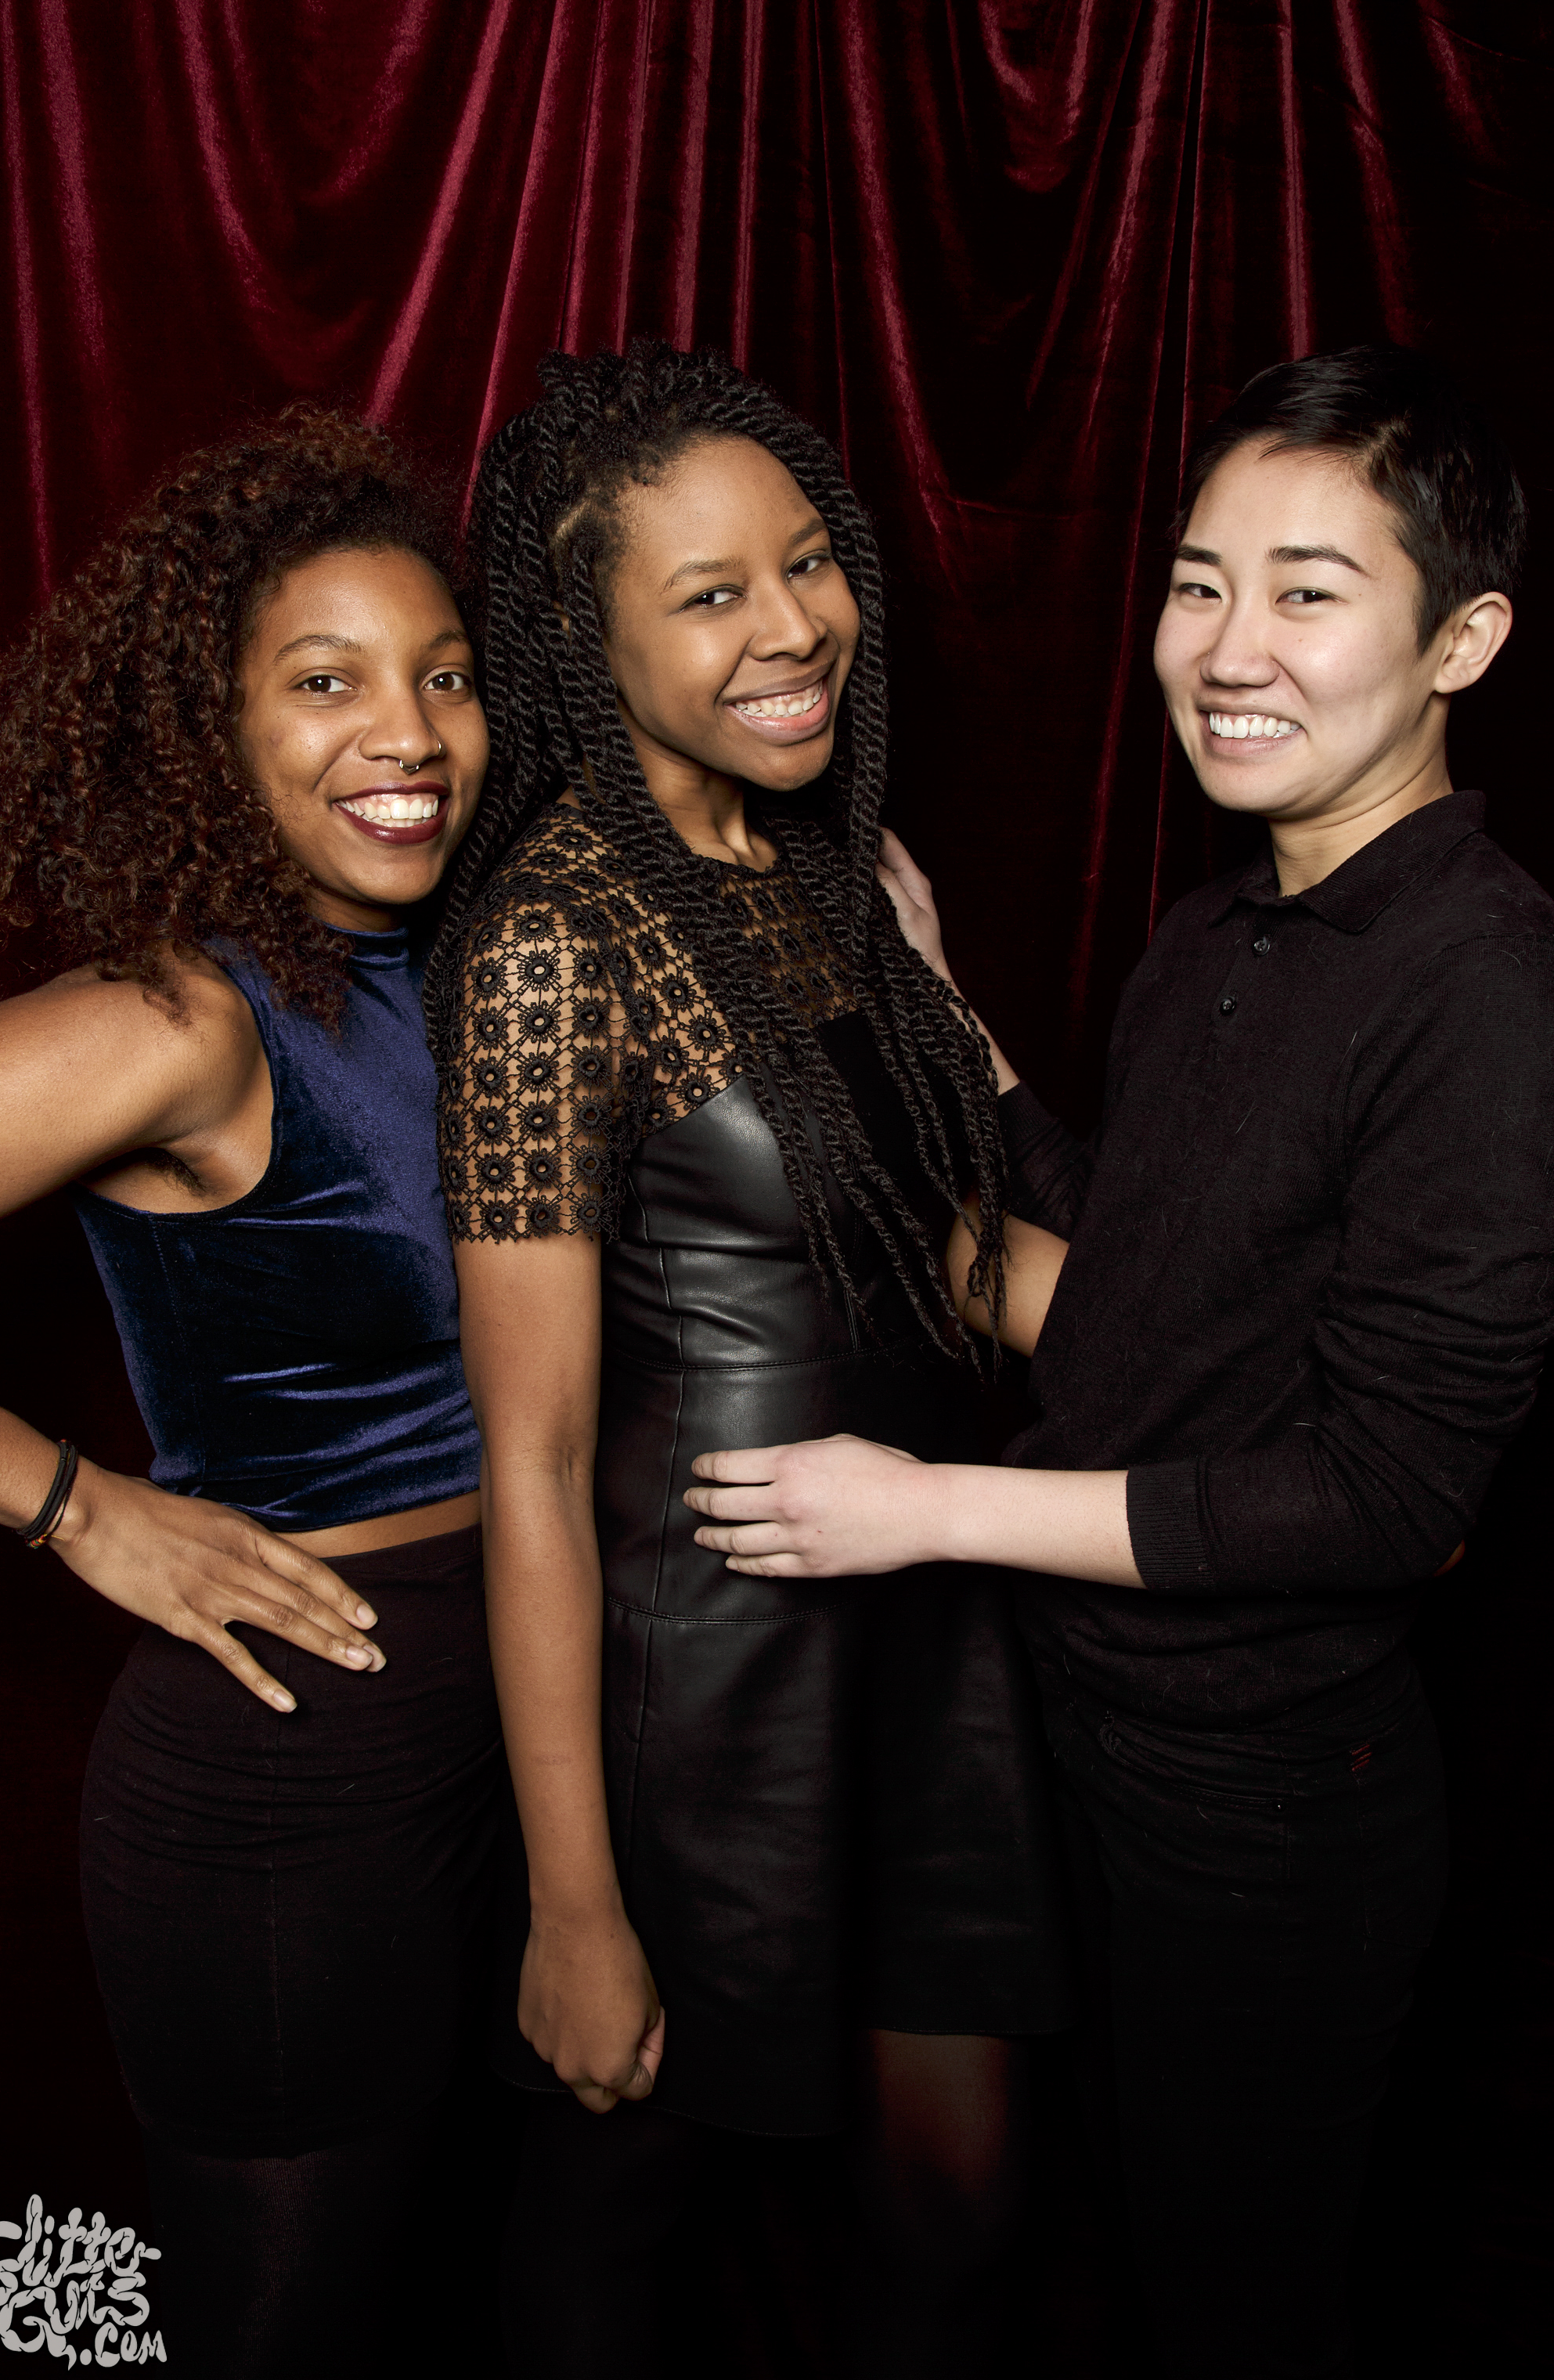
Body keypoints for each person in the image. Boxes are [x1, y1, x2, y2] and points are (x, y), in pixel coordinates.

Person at [685, 345, 1554, 2377]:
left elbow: (1384, 1498)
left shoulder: (1488, 992)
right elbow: (1149, 1296)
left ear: (1461, 643)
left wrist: (924, 1508)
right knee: (1084, 2262)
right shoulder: (1222, 933)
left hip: (1269, 1815)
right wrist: (953, 1033)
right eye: (1196, 581)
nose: (1228, 649)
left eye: (1309, 592)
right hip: (1089, 1732)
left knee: (1227, 2306)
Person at [424, 338, 1073, 2377]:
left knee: (961, 2209)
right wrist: (575, 1903)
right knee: (622, 2213)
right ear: (583, 636)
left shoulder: (830, 874)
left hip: (933, 1634)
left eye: (807, 562)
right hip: (703, 1698)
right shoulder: (548, 945)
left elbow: (953, 1265)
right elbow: (531, 1466)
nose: (795, 626)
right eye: (712, 593)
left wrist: (1291, 1389)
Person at [0, 407, 499, 2378]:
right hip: (287, 1777)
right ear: (218, 728)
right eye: (326, 682)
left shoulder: (476, 970)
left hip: (500, 1738)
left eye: (445, 674)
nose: (406, 733)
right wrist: (74, 1505)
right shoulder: (185, 1014)